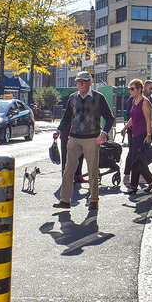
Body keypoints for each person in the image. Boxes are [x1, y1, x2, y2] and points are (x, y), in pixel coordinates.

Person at [53, 71, 115, 211]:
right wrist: (59, 129)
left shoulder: (99, 98)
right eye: (78, 81)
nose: (80, 84)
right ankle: (65, 200)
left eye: (84, 81)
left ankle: (93, 200)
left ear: (90, 83)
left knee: (92, 170)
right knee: (68, 169)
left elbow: (110, 118)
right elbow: (67, 117)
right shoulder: (72, 98)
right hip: (74, 137)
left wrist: (104, 133)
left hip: (92, 138)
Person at [120, 78, 152, 194]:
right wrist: (125, 128)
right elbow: (133, 118)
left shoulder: (145, 102)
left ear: (139, 89)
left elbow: (148, 120)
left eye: (132, 89)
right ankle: (148, 182)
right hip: (135, 134)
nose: (130, 91)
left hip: (143, 134)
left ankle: (134, 186)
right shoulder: (133, 101)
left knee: (136, 161)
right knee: (137, 161)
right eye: (129, 89)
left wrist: (149, 135)